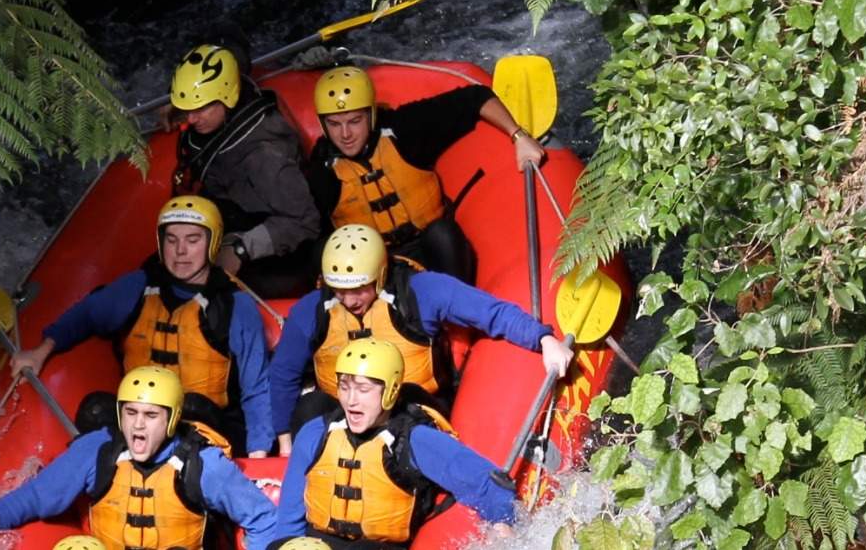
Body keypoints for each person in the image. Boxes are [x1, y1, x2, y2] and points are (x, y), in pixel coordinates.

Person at [249, 225, 571, 455]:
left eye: (358, 288)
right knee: (310, 407)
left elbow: (490, 312)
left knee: (407, 406)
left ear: (379, 274)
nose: (349, 300)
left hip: (414, 409)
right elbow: (284, 373)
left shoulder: (421, 291)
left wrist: (543, 340)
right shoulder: (312, 310)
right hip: (347, 415)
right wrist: (285, 442)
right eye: (340, 290)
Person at [0, 367, 300, 550]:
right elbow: (34, 496)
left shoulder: (204, 465)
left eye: (151, 416)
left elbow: (263, 520)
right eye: (131, 413)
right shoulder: (98, 450)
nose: (138, 426)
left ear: (172, 419)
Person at [14, 195, 276, 442]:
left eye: (193, 240)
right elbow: (85, 315)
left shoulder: (235, 304)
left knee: (193, 406)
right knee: (94, 410)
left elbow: (257, 388)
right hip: (140, 418)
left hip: (204, 428)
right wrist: (40, 352)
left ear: (213, 243)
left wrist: (259, 451)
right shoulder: (138, 286)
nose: (180, 251)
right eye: (171, 240)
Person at [254, 342, 520, 550]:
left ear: (390, 391)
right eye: (345, 387)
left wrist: (502, 524)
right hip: (318, 542)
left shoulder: (415, 439)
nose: (351, 401)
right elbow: (289, 522)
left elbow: (487, 483)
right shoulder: (315, 433)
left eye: (363, 389)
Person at [305, 66, 548, 284]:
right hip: (372, 267)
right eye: (334, 124)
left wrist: (518, 135)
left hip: (432, 249)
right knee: (321, 251)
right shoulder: (321, 170)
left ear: (371, 114)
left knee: (442, 233)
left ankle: (457, 313)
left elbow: (476, 97)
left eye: (354, 121)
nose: (345, 134)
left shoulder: (403, 129)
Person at [168, 44, 324, 299]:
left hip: (280, 251)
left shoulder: (263, 157)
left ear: (227, 97)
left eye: (200, 108)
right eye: (188, 109)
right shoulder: (225, 101)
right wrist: (179, 105)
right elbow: (229, 38)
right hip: (231, 213)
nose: (191, 119)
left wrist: (240, 249)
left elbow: (305, 221)